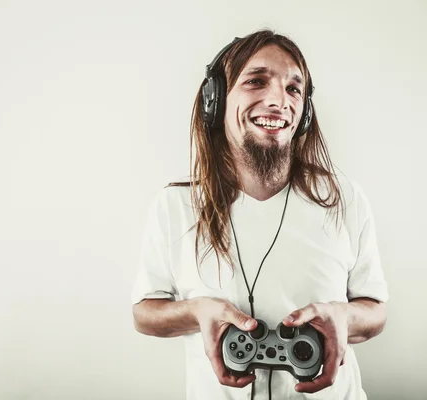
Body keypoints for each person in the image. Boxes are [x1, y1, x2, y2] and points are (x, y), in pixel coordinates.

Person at [131, 29, 389, 400]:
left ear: (304, 114)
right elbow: (144, 312)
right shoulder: (174, 207)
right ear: (215, 101)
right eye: (256, 81)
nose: (278, 101)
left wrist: (344, 317)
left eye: (293, 89)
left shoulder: (344, 198)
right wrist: (197, 312)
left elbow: (375, 309)